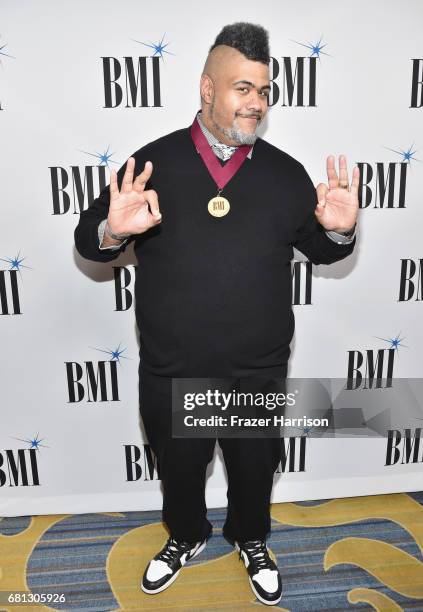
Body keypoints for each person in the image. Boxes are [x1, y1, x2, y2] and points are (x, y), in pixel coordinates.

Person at [74, 22, 358, 607]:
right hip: (174, 368)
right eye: (242, 88)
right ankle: (185, 535)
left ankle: (251, 538)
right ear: (207, 88)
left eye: (264, 91)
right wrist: (110, 230)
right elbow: (88, 239)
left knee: (255, 469)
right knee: (180, 470)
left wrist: (342, 229)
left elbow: (323, 249)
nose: (255, 103)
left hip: (257, 368)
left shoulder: (285, 174)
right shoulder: (151, 164)